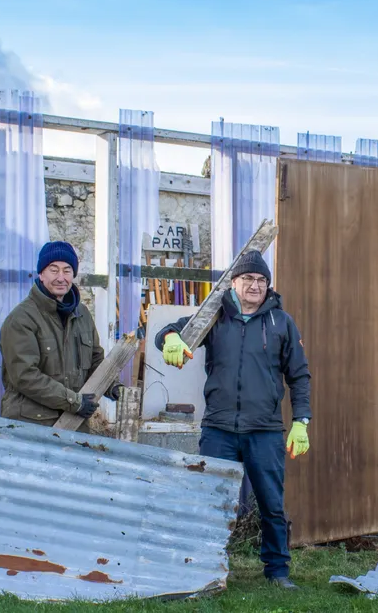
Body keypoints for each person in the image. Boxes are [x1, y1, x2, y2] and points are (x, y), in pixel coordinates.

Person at [156, 250, 311, 590]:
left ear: (268, 285)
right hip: (219, 428)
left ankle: (277, 571)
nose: (255, 285)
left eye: (262, 280)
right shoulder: (215, 317)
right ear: (234, 283)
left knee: (271, 503)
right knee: (211, 501)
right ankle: (208, 568)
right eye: (248, 279)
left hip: (264, 429)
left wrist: (301, 420)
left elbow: (299, 376)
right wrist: (170, 338)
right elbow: (171, 330)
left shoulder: (281, 322)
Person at [0, 241, 121, 426]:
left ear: (73, 274)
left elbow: (95, 361)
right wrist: (74, 402)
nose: (61, 278)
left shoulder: (82, 314)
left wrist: (113, 386)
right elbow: (25, 376)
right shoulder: (21, 319)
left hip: (74, 424)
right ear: (41, 274)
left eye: (67, 270)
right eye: (53, 270)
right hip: (31, 425)